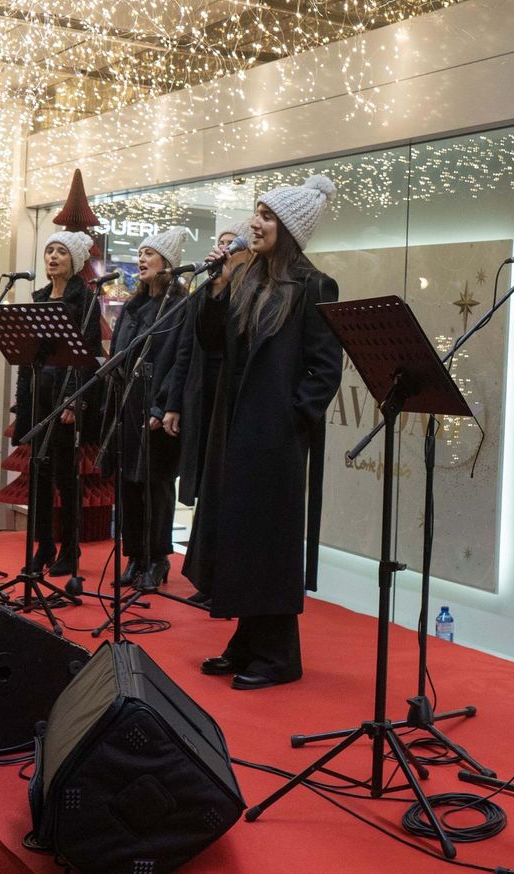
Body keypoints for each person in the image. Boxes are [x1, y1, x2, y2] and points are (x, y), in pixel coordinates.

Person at [190, 177, 342, 690]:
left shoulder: (314, 285)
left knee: (269, 544)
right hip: (234, 429)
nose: (255, 222)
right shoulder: (244, 277)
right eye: (256, 212)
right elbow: (212, 344)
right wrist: (213, 285)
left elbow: (325, 369)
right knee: (242, 537)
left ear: (290, 229)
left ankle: (279, 655)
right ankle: (248, 641)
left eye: (267, 216)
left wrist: (293, 421)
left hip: (275, 436)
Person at [163, 224, 248, 606]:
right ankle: (205, 576)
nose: (225, 251)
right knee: (206, 492)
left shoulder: (250, 293)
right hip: (204, 398)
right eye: (221, 244)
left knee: (228, 493)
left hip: (234, 403)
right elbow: (187, 349)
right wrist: (173, 403)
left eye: (233, 245)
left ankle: (223, 579)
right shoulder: (207, 292)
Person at [11, 231, 102, 578]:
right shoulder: (39, 299)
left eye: (61, 252)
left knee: (65, 477)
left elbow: (87, 356)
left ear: (75, 261)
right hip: (39, 397)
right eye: (49, 250)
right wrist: (23, 401)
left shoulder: (87, 302)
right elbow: (26, 357)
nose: (52, 257)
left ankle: (70, 547)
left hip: (65, 400)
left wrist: (74, 402)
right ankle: (44, 544)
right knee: (40, 475)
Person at [104, 228, 188, 591]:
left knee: (156, 486)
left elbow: (178, 359)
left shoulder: (179, 305)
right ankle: (135, 556)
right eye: (140, 253)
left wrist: (163, 403)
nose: (141, 260)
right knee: (129, 486)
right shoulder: (133, 307)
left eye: (149, 254)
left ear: (167, 263)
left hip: (156, 407)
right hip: (128, 405)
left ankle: (157, 558)